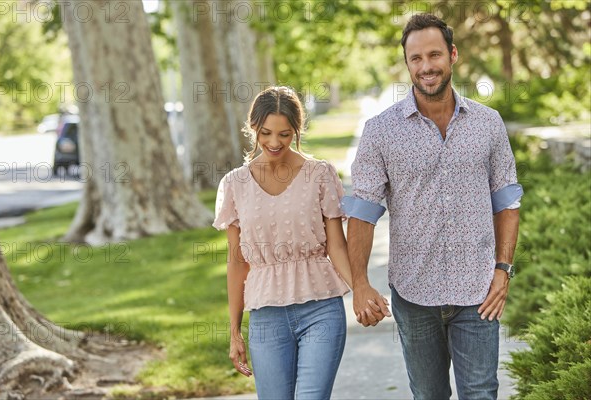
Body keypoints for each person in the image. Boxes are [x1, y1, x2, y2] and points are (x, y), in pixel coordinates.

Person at [342, 13, 523, 400]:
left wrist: (503, 270)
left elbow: (507, 202)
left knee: (481, 394)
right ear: (407, 63)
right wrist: (359, 283)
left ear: (453, 55)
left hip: (478, 292)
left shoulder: (488, 124)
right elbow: (362, 212)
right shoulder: (381, 131)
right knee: (428, 395)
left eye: (434, 55)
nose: (426, 67)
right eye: (416, 58)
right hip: (414, 292)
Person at [213, 86, 367, 399]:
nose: (274, 143)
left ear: (296, 130)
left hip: (321, 309)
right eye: (266, 133)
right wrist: (234, 331)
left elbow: (336, 246)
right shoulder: (235, 184)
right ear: (253, 127)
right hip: (266, 316)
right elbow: (237, 262)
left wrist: (359, 291)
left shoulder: (319, 174)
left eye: (285, 134)